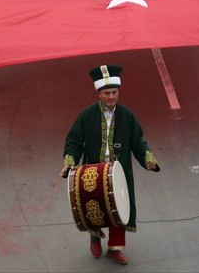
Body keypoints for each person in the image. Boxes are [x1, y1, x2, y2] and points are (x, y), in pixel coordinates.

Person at [60, 64, 161, 265]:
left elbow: (138, 142)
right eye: (107, 93)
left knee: (120, 207)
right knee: (93, 204)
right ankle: (95, 236)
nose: (111, 97)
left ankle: (115, 248)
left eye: (114, 92)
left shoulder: (127, 115)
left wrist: (148, 159)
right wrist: (69, 161)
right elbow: (74, 141)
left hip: (119, 172)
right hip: (93, 171)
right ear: (99, 93)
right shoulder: (86, 115)